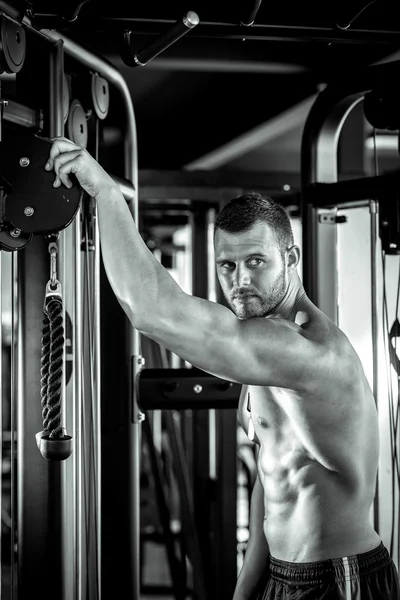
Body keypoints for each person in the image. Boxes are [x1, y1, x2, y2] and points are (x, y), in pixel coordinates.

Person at [45, 137, 400, 600]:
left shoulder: (308, 351)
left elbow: (152, 311)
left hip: (340, 579)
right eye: (227, 265)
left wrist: (106, 194)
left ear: (291, 259)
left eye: (256, 261)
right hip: (281, 575)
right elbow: (270, 476)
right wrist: (246, 587)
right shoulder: (264, 350)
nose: (240, 280)